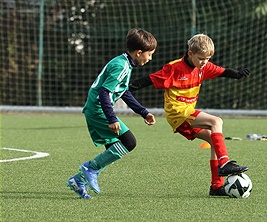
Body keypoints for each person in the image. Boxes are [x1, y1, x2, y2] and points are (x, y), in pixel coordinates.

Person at [129, 33, 250, 196]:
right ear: (190, 53)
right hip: (178, 113)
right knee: (216, 122)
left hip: (187, 115)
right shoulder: (174, 68)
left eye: (207, 59)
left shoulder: (203, 67)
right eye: (201, 58)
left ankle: (216, 186)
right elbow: (149, 79)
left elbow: (221, 71)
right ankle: (224, 163)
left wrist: (236, 74)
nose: (204, 63)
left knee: (214, 139)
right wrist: (126, 88)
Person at [66, 28, 157, 199]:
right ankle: (89, 169)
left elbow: (123, 92)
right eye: (149, 54)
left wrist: (143, 112)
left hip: (98, 108)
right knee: (129, 142)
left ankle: (78, 180)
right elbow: (104, 92)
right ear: (139, 52)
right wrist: (112, 118)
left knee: (114, 147)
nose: (150, 58)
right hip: (97, 109)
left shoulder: (125, 63)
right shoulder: (121, 65)